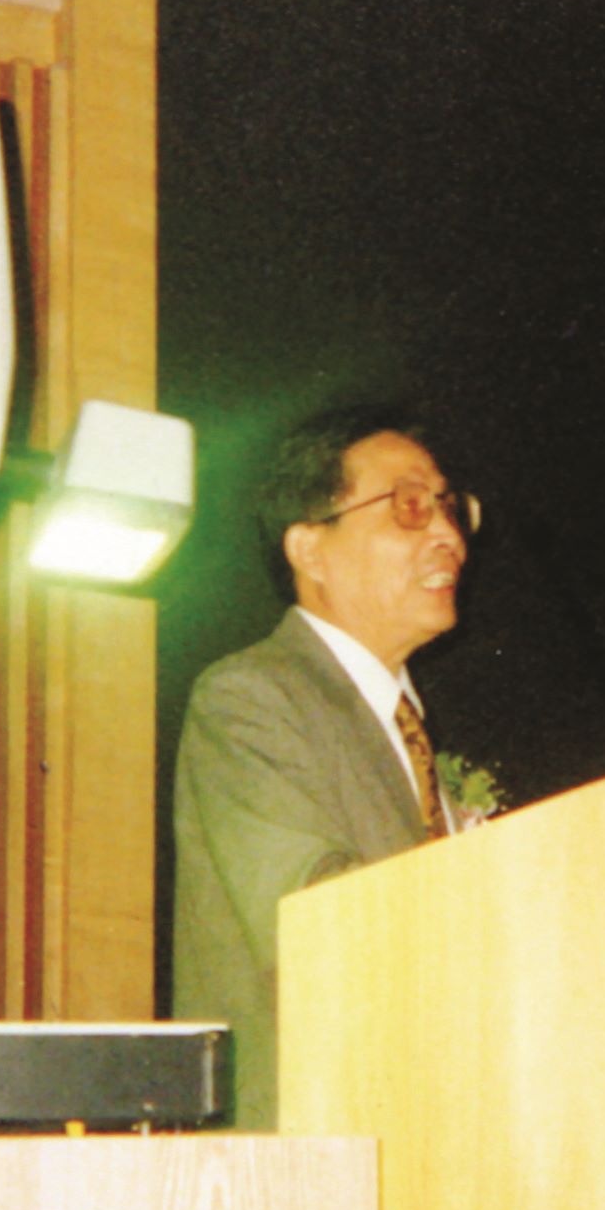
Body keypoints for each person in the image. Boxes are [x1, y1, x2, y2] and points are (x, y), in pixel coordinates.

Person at [171, 407, 477, 1128]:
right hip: (314, 1138)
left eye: (449, 507)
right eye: (409, 505)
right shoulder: (251, 697)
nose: (449, 536)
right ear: (310, 548)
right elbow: (319, 925)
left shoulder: (407, 729)